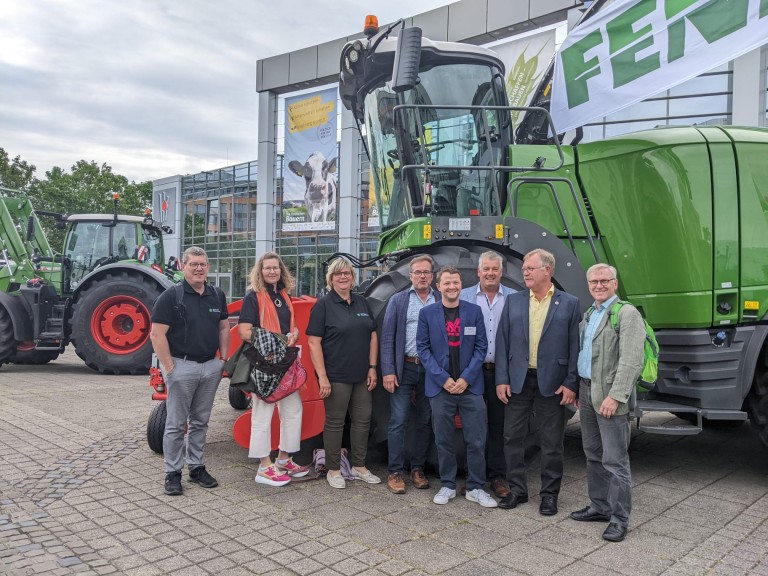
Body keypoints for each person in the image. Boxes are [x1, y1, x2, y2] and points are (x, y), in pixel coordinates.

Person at [495, 248, 580, 515]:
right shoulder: (514, 301)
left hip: (553, 383)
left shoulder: (569, 303)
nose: (525, 272)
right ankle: (518, 490)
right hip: (518, 381)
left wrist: (571, 383)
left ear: (548, 270)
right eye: (524, 269)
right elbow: (502, 341)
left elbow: (575, 347)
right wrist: (502, 379)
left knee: (552, 442)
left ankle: (549, 495)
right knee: (512, 438)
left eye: (530, 268)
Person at [571, 263, 644, 542]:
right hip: (587, 392)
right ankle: (600, 506)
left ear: (615, 283)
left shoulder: (626, 314)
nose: (598, 286)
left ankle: (619, 518)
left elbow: (631, 360)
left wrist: (616, 396)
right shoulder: (591, 314)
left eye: (604, 281)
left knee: (615, 460)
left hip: (610, 396)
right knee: (592, 453)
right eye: (593, 282)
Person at [150, 246, 230, 496]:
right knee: (175, 424)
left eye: (202, 264)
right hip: (181, 366)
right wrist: (170, 368)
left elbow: (224, 328)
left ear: (208, 267)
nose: (198, 268)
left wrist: (223, 360)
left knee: (201, 421)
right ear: (184, 266)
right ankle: (173, 473)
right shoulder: (171, 297)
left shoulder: (217, 295)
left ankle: (196, 468)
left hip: (210, 366)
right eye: (193, 264)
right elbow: (157, 334)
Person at [417, 266, 496, 508]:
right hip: (441, 388)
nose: (452, 287)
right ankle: (448, 485)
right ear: (438, 286)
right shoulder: (427, 313)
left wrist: (466, 379)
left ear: (461, 285)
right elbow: (423, 348)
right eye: (447, 283)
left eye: (456, 283)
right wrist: (443, 379)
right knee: (444, 440)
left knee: (476, 439)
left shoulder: (473, 311)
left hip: (470, 387)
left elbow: (482, 347)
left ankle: (475, 487)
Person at [307, 257, 381, 489]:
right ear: (331, 279)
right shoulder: (323, 305)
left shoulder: (361, 302)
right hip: (336, 376)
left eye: (347, 273)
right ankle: (333, 469)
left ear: (352, 277)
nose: (343, 277)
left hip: (361, 375)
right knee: (335, 423)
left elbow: (372, 335)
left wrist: (372, 368)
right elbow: (313, 343)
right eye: (338, 274)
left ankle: (359, 466)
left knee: (362, 421)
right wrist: (323, 377)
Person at [238, 252, 310, 487]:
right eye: (267, 268)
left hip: (285, 364)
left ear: (281, 271)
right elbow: (245, 331)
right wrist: (277, 341)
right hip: (265, 365)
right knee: (262, 415)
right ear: (260, 271)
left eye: (276, 268)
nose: (272, 271)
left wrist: (294, 335)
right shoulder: (253, 298)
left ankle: (284, 458)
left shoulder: (284, 296)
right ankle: (264, 467)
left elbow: (293, 327)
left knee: (293, 410)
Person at [380, 255, 438, 494]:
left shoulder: (441, 300)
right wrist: (389, 371)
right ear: (411, 276)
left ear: (432, 276)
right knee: (398, 421)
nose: (422, 276)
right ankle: (395, 471)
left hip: (431, 371)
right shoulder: (399, 300)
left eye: (426, 272)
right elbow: (387, 338)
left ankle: (417, 469)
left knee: (425, 421)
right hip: (405, 367)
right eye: (417, 272)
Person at [459, 250, 514, 499]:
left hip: (500, 372)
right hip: (472, 371)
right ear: (478, 272)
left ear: (501, 273)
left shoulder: (513, 298)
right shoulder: (464, 297)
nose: (490, 273)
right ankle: (474, 478)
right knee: (473, 427)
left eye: (495, 269)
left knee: (497, 426)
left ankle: (497, 476)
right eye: (486, 269)